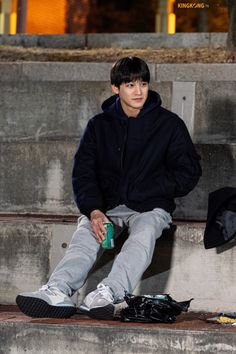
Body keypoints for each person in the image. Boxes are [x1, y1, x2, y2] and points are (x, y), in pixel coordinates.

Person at [16, 57, 202, 320]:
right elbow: (83, 173)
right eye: (129, 85)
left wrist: (150, 190)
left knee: (144, 235)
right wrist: (93, 210)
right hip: (107, 206)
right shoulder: (98, 126)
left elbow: (189, 172)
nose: (138, 91)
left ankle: (107, 293)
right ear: (116, 88)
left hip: (150, 206)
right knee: (85, 235)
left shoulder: (169, 125)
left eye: (143, 84)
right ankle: (57, 290)